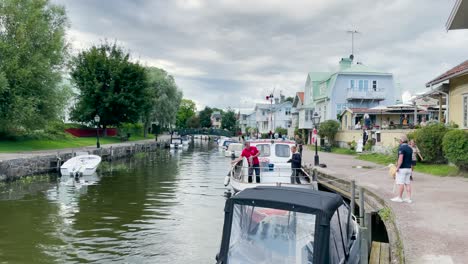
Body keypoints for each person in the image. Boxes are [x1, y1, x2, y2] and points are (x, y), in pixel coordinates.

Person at [391, 135, 413, 203]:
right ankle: (409, 198)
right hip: (409, 168)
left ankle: (399, 197)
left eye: (399, 141)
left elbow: (401, 159)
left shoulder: (401, 148)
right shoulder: (410, 148)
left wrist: (397, 167)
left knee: (401, 183)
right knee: (407, 183)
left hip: (402, 168)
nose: (399, 142)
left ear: (401, 141)